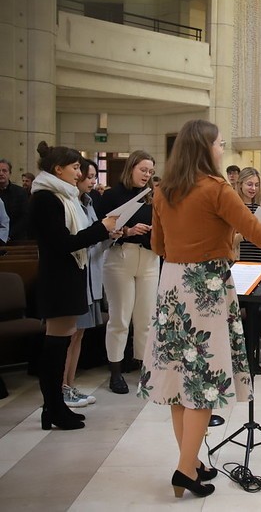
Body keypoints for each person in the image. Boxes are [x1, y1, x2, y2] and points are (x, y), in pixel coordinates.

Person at [136, 119, 261, 499]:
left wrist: (205, 240)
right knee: (201, 382)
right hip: (207, 287)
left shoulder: (164, 190)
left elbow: (158, 246)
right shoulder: (216, 188)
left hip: (172, 286)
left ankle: (193, 461)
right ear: (204, 147)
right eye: (219, 144)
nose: (221, 149)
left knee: (181, 379)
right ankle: (185, 469)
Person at [28, 142, 120, 430]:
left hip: (69, 277)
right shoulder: (45, 198)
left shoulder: (63, 197)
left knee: (63, 340)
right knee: (55, 346)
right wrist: (101, 228)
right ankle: (53, 408)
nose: (80, 173)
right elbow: (63, 243)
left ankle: (54, 407)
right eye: (76, 167)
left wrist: (99, 229)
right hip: (57, 279)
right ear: (58, 169)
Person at [96, 151, 159, 394]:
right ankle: (115, 372)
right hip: (121, 256)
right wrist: (127, 231)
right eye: (143, 169)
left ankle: (144, 369)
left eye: (151, 172)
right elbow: (100, 228)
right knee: (120, 318)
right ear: (131, 167)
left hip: (150, 258)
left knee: (145, 318)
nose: (147, 175)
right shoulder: (112, 195)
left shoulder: (152, 197)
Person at [62, 158, 110, 409]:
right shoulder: (67, 204)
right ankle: (62, 387)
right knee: (69, 335)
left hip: (91, 275)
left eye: (92, 175)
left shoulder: (88, 203)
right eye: (87, 175)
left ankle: (70, 385)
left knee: (79, 334)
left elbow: (95, 241)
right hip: (77, 275)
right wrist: (102, 231)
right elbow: (77, 239)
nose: (91, 180)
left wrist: (110, 235)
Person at [234, 167, 261, 374]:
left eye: (256, 185)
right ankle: (239, 357)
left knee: (256, 312)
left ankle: (253, 356)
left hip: (258, 261)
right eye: (249, 184)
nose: (253, 188)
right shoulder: (234, 206)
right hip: (238, 262)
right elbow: (229, 238)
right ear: (240, 185)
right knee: (239, 312)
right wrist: (244, 234)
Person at [0, 158, 29, 241]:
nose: (1, 173)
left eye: (4, 171)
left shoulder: (20, 192)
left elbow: (25, 216)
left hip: (16, 239)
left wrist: (8, 234)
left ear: (10, 173)